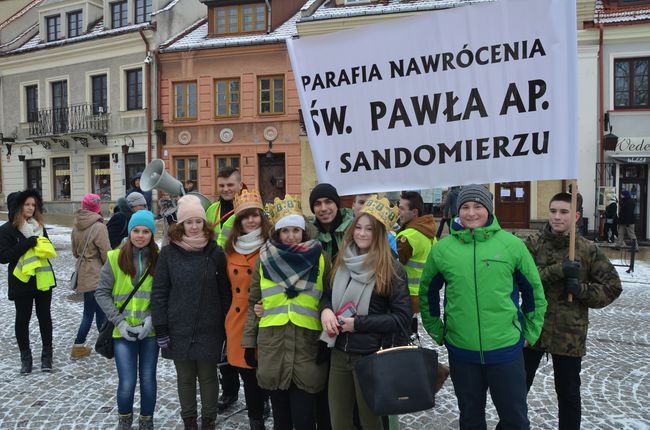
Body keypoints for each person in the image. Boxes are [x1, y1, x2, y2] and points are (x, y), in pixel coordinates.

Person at [419, 184, 547, 429]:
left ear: (489, 209)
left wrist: (530, 331)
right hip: (462, 350)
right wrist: (436, 328)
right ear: (458, 211)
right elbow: (427, 291)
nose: (471, 213)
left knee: (515, 419)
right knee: (470, 418)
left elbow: (534, 292)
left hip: (505, 349)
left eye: (478, 206)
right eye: (465, 207)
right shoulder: (443, 250)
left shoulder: (511, 246)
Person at [520, 192, 622, 430]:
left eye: (564, 212)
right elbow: (522, 279)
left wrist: (580, 290)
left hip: (569, 334)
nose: (557, 217)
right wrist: (557, 270)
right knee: (517, 391)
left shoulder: (587, 250)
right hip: (533, 329)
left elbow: (613, 287)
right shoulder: (533, 244)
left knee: (568, 395)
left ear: (575, 216)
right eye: (553, 211)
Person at [320, 196, 411, 430]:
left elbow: (401, 319)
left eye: (369, 229)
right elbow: (327, 296)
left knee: (371, 422)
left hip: (371, 356)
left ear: (379, 234)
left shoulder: (391, 268)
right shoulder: (341, 259)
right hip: (339, 351)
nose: (361, 234)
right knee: (338, 421)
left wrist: (357, 324)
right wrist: (326, 311)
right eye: (358, 227)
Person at [242, 195, 330, 430]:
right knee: (281, 421)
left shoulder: (321, 259)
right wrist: (250, 343)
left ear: (304, 231)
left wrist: (327, 340)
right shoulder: (264, 259)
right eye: (285, 230)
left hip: (308, 347)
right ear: (277, 233)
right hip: (273, 347)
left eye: (295, 230)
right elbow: (254, 302)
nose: (291, 236)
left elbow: (328, 300)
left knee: (304, 420)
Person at [151, 195, 232, 430]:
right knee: (185, 378)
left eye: (198, 221)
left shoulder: (215, 252)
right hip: (178, 327)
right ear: (181, 225)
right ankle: (189, 422)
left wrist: (226, 325)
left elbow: (225, 292)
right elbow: (159, 292)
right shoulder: (168, 253)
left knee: (208, 377)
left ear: (204, 223)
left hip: (210, 326)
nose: (194, 226)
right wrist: (162, 328)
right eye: (189, 222)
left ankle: (208, 421)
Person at [95, 210, 159, 430]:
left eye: (146, 231)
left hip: (149, 332)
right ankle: (124, 420)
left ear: (152, 234)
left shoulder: (158, 259)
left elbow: (163, 295)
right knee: (127, 381)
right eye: (136, 230)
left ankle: (146, 421)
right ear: (129, 232)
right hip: (121, 332)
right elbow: (101, 293)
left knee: (148, 379)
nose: (140, 235)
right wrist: (120, 322)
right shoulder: (114, 257)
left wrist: (150, 319)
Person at [223, 190, 271, 430]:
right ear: (238, 222)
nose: (251, 220)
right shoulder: (230, 249)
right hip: (237, 321)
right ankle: (257, 421)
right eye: (245, 216)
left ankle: (264, 404)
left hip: (266, 319)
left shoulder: (273, 245)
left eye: (255, 215)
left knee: (265, 373)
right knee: (248, 375)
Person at [0, 189, 56, 374]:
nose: (31, 208)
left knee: (44, 317)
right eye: (27, 204)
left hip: (42, 278)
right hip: (21, 281)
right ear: (18, 207)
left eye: (33, 205)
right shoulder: (7, 229)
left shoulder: (39, 227)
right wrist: (26, 244)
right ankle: (26, 358)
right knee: (22, 319)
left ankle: (47, 356)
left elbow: (46, 248)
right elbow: (3, 257)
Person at [204, 166, 243, 411]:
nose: (226, 189)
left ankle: (261, 396)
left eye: (230, 185)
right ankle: (229, 392)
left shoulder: (247, 208)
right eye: (222, 185)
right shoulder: (211, 209)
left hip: (241, 281)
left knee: (246, 340)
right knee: (222, 340)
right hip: (217, 283)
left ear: (240, 185)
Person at [70, 193, 111, 359]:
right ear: (97, 207)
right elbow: (106, 253)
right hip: (97, 273)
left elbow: (74, 252)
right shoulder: (99, 226)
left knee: (100, 310)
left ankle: (104, 341)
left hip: (84, 272)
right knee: (89, 312)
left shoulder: (76, 225)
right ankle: (78, 345)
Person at [396, 191, 436, 317]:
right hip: (423, 292)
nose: (398, 212)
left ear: (414, 212)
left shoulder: (408, 237)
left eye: (402, 209)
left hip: (407, 293)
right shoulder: (429, 233)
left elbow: (391, 264)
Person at [310, 183, 354, 260]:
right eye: (317, 204)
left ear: (337, 205)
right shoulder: (309, 234)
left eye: (328, 202)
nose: (323, 208)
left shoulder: (354, 228)